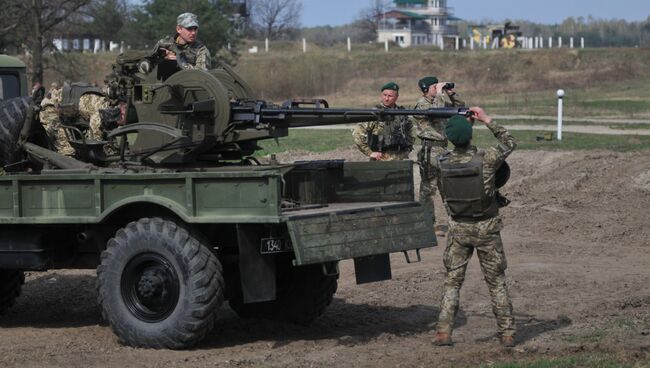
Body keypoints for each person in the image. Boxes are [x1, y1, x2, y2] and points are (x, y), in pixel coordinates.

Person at [432, 107, 517, 347]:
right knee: (496, 282)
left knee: (452, 282)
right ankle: (507, 333)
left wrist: (460, 125)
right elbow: (510, 142)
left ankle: (443, 332)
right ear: (470, 134)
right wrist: (486, 119)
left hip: (458, 229)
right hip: (487, 228)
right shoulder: (486, 159)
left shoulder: (442, 164)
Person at [414, 76, 465, 237]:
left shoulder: (440, 99)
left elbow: (460, 108)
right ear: (425, 89)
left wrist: (451, 93)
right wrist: (440, 94)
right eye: (434, 87)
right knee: (428, 190)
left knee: (448, 188)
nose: (438, 89)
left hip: (443, 149)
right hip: (430, 149)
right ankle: (427, 224)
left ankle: (456, 222)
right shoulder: (422, 104)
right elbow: (437, 112)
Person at [352, 82, 413, 161]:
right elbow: (357, 133)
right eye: (384, 95)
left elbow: (409, 132)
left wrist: (408, 149)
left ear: (397, 97)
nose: (386, 98)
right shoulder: (374, 113)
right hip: (380, 158)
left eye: (390, 96)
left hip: (399, 158)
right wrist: (370, 152)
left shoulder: (402, 113)